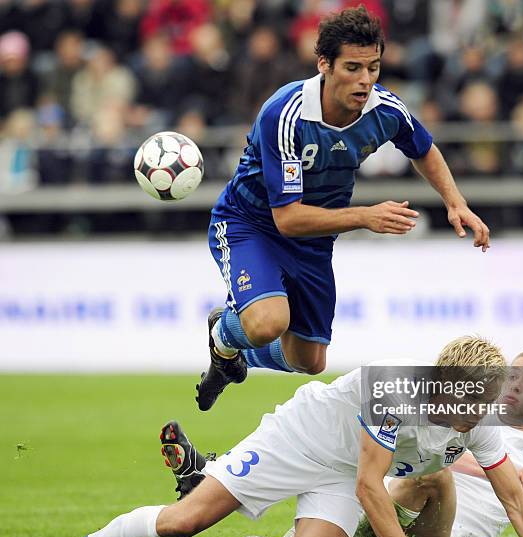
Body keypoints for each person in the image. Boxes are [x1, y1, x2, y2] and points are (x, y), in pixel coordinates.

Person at [14, 337, 523, 537]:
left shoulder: (481, 418)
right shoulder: (393, 390)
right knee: (187, 521)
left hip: (345, 471)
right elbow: (371, 485)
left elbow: (515, 496)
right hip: (301, 439)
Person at [196, 6, 490, 411]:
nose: (365, 79)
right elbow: (288, 217)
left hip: (313, 239)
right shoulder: (286, 114)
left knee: (310, 360)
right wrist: (365, 216)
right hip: (253, 224)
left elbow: (423, 148)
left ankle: (234, 351)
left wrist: (456, 203)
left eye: (373, 67)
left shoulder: (385, 110)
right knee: (268, 322)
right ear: (324, 65)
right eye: (352, 67)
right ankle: (224, 332)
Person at [249, 350, 523, 537]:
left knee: (436, 477)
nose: (514, 385)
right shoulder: (463, 417)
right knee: (433, 475)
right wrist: (488, 468)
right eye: (512, 376)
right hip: (392, 510)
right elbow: (413, 454)